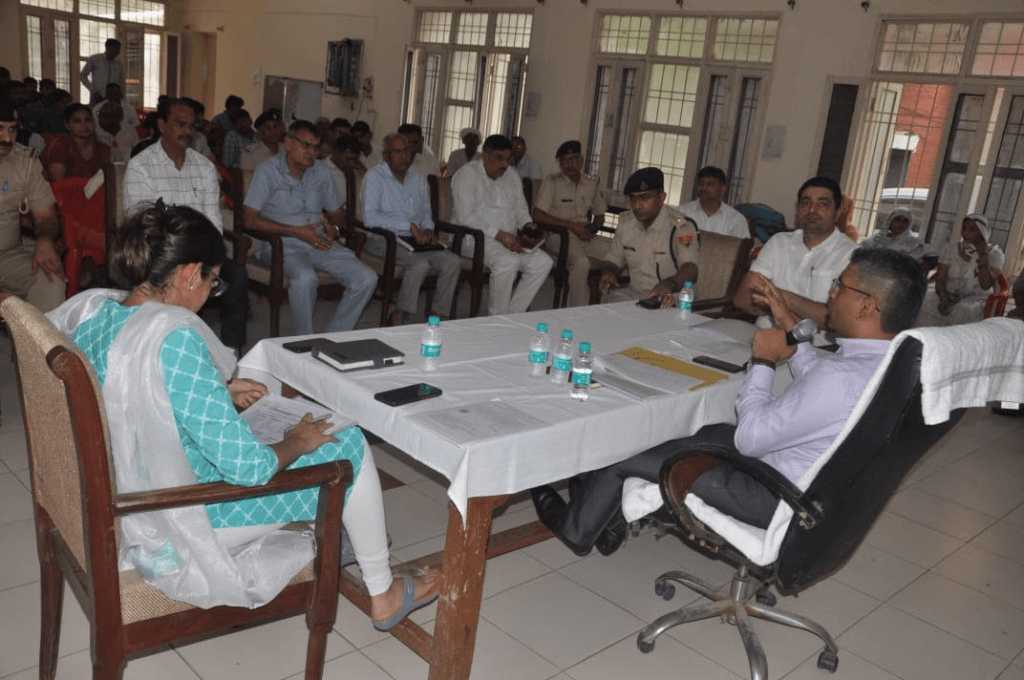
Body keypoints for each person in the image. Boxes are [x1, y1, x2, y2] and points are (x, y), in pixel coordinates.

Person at [46, 202, 440, 624]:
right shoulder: (173, 337)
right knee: (347, 444)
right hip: (181, 515)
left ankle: (338, 534)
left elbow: (126, 382)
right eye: (211, 280)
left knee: (281, 430)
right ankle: (383, 593)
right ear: (188, 274)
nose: (210, 293)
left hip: (129, 494)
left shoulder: (97, 312)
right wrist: (296, 442)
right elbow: (248, 469)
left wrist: (217, 389)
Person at [531, 248, 927, 555]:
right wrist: (786, 320)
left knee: (625, 452)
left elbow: (749, 439)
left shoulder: (839, 378)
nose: (831, 293)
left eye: (840, 286)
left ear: (866, 305)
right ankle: (608, 522)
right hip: (808, 486)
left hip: (768, 492)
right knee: (694, 430)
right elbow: (819, 382)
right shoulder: (886, 365)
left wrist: (763, 361)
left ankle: (575, 530)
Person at [124, 98, 249, 352]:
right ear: (162, 125)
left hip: (201, 255)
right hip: (159, 255)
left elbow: (213, 221)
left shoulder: (205, 167)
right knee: (178, 282)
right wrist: (183, 260)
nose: (188, 131)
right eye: (180, 124)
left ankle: (231, 354)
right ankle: (168, 348)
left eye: (192, 126)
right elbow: (143, 226)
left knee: (237, 276)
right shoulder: (140, 166)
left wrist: (207, 260)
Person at [244, 120, 377, 335]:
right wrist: (295, 231)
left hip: (319, 242)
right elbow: (249, 220)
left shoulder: (321, 172)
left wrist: (334, 228)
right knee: (306, 278)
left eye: (316, 148)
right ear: (288, 143)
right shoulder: (267, 171)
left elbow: (337, 214)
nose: (312, 153)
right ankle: (303, 340)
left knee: (367, 278)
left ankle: (333, 336)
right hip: (282, 245)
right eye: (306, 145)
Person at [733, 176, 859, 331]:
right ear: (797, 209)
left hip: (815, 343)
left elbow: (835, 320)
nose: (812, 210)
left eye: (823, 204)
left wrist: (781, 298)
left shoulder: (853, 255)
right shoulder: (779, 241)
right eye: (805, 203)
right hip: (763, 334)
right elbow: (742, 298)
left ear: (838, 213)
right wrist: (787, 311)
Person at [362, 132, 462, 326]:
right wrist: (408, 226)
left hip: (416, 240)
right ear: (386, 156)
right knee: (419, 264)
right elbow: (370, 218)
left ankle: (436, 315)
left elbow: (425, 211)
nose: (404, 157)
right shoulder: (374, 177)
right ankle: (400, 314)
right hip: (384, 239)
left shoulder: (418, 178)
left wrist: (428, 228)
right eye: (397, 152)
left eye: (407, 151)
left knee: (453, 262)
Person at [451, 134, 553, 315]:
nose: (505, 164)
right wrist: (500, 235)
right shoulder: (467, 175)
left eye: (508, 159)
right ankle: (496, 317)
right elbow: (466, 217)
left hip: (510, 240)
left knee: (543, 262)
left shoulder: (512, 175)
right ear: (485, 155)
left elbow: (521, 210)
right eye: (499, 158)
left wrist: (528, 225)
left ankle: (512, 316)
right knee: (507, 262)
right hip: (474, 239)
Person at [597, 167, 699, 306]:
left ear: (661, 198)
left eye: (644, 197)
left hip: (671, 297)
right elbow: (613, 260)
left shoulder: (682, 228)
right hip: (635, 295)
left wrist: (668, 284)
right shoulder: (626, 225)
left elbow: (690, 268)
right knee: (606, 309)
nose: (637, 205)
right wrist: (609, 272)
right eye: (633, 198)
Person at [0, 101, 65, 312]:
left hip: (7, 256)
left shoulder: (25, 162)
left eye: (12, 129)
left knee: (51, 279)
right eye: (0, 128)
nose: (7, 138)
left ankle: (38, 335)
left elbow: (46, 217)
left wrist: (45, 240)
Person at [532, 140, 607, 308]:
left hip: (585, 235)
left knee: (614, 256)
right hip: (559, 235)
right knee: (581, 263)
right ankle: (577, 311)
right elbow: (538, 215)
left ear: (581, 160)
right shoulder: (552, 181)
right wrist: (572, 227)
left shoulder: (592, 183)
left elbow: (600, 216)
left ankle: (600, 307)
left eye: (573, 159)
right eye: (564, 160)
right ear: (560, 163)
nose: (569, 164)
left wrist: (591, 230)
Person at [916, 213, 1005, 327]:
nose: (966, 233)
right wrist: (943, 298)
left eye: (972, 229)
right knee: (923, 303)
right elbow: (941, 278)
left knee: (963, 311)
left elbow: (986, 284)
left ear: (983, 231)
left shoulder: (995, 254)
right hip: (947, 295)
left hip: (976, 299)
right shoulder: (950, 248)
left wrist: (983, 255)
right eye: (964, 229)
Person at [42, 103, 111, 181]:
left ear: (94, 123)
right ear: (68, 125)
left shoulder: (103, 149)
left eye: (88, 120)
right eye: (77, 121)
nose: (84, 125)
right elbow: (57, 181)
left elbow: (108, 180)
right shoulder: (60, 144)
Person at [679, 166, 749, 240]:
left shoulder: (736, 220)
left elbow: (742, 246)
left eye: (710, 184)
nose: (704, 188)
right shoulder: (682, 212)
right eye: (701, 183)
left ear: (722, 189)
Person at [863, 207, 932, 266]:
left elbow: (931, 255)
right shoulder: (877, 239)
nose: (901, 224)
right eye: (898, 219)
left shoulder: (913, 242)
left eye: (905, 221)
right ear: (890, 221)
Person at [324, 134, 365, 222]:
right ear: (336, 151)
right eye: (348, 158)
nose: (351, 163)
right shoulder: (320, 170)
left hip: (358, 222)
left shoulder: (356, 170)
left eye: (355, 159)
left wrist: (363, 173)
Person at [80, 38, 125, 106]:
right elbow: (83, 75)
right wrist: (93, 90)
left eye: (118, 50)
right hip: (97, 97)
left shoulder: (119, 64)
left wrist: (122, 96)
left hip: (114, 98)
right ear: (108, 47)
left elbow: (121, 82)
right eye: (116, 49)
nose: (118, 52)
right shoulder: (95, 59)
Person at [240, 108, 285, 174]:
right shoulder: (250, 154)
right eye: (268, 128)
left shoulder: (288, 150)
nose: (273, 132)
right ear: (259, 132)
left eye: (275, 127)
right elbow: (248, 179)